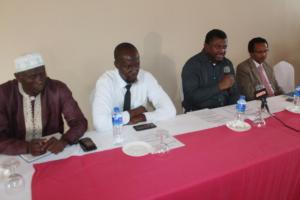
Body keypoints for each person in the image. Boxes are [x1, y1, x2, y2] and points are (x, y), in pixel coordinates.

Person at [0, 53, 87, 155]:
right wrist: (26, 147)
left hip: (51, 153)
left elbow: (79, 122)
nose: (40, 80)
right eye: (32, 76)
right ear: (18, 77)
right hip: (15, 157)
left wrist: (64, 140)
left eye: (42, 73)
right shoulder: (3, 94)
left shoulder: (58, 89)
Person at [92, 42, 176, 132]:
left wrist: (142, 117)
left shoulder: (146, 77)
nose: (135, 70)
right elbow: (100, 124)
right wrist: (134, 112)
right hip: (114, 135)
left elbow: (170, 110)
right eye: (128, 66)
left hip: (140, 134)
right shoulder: (106, 82)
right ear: (116, 65)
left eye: (137, 64)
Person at [181, 29, 239, 111]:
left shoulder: (227, 63)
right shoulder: (192, 65)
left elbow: (235, 93)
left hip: (225, 111)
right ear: (206, 46)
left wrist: (233, 110)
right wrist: (219, 86)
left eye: (224, 47)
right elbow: (191, 98)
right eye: (217, 47)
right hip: (199, 113)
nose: (222, 51)